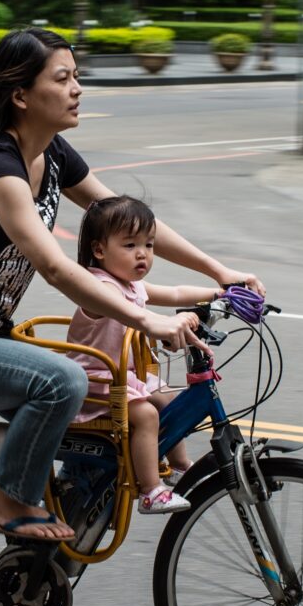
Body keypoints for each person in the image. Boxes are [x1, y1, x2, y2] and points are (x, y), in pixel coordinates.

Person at [0, 26, 264, 538]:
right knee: (63, 381)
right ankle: (8, 500)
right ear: (20, 94)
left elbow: (130, 224)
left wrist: (218, 273)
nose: (77, 89)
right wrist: (144, 318)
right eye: (63, 78)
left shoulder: (54, 156)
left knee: (105, 424)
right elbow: (55, 268)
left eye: (77, 77)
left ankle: (37, 603)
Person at [66, 195, 220, 514]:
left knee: (172, 400)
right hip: (98, 384)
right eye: (130, 245)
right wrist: (169, 321)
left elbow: (176, 293)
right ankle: (151, 490)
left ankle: (179, 466)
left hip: (125, 379)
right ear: (99, 250)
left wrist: (221, 290)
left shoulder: (133, 285)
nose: (142, 254)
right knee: (147, 415)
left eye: (149, 245)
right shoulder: (101, 287)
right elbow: (128, 313)